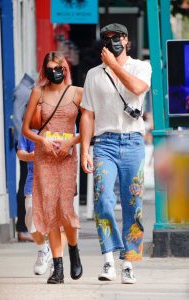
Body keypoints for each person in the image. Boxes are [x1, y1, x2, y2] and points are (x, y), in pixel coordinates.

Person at [80, 23, 152, 284]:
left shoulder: (141, 66)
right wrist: (85, 149)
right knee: (103, 200)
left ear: (126, 39)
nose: (112, 42)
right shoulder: (93, 75)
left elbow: (137, 88)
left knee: (133, 205)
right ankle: (109, 260)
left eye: (117, 37)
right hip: (105, 144)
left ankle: (128, 263)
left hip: (133, 143)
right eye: (107, 38)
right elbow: (87, 114)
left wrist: (115, 66)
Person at [22, 51, 83, 284]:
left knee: (65, 209)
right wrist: (43, 141)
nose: (56, 72)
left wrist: (73, 140)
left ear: (66, 68)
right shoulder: (38, 92)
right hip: (44, 157)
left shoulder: (77, 93)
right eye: (50, 68)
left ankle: (74, 249)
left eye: (59, 67)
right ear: (44, 70)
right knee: (50, 212)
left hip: (67, 157)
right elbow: (27, 129)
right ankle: (58, 268)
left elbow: (89, 127)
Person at [12, 73, 35, 242]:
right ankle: (23, 228)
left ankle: (26, 227)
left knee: (27, 183)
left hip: (27, 142)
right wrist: (24, 142)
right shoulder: (24, 92)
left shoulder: (26, 90)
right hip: (26, 144)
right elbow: (18, 120)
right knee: (26, 183)